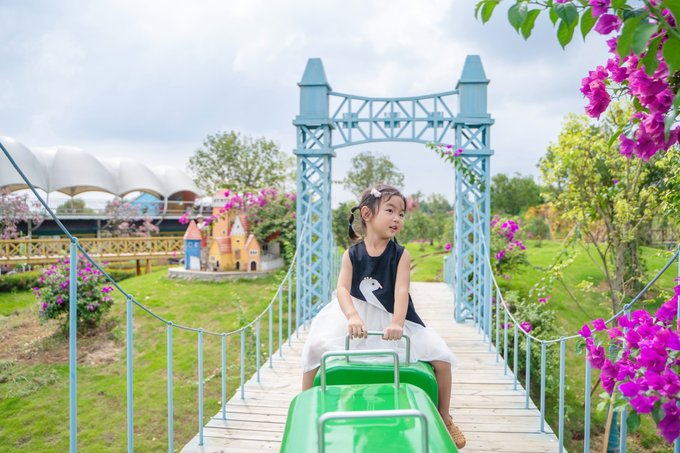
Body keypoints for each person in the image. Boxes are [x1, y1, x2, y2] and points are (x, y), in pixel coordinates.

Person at [301, 184, 466, 449]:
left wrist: (397, 322)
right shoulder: (352, 255)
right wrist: (352, 316)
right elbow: (342, 289)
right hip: (358, 315)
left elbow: (401, 291)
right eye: (390, 211)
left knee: (442, 359)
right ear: (367, 214)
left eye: (401, 214)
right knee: (315, 347)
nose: (397, 218)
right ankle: (308, 411)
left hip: (393, 316)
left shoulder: (400, 255)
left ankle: (444, 417)